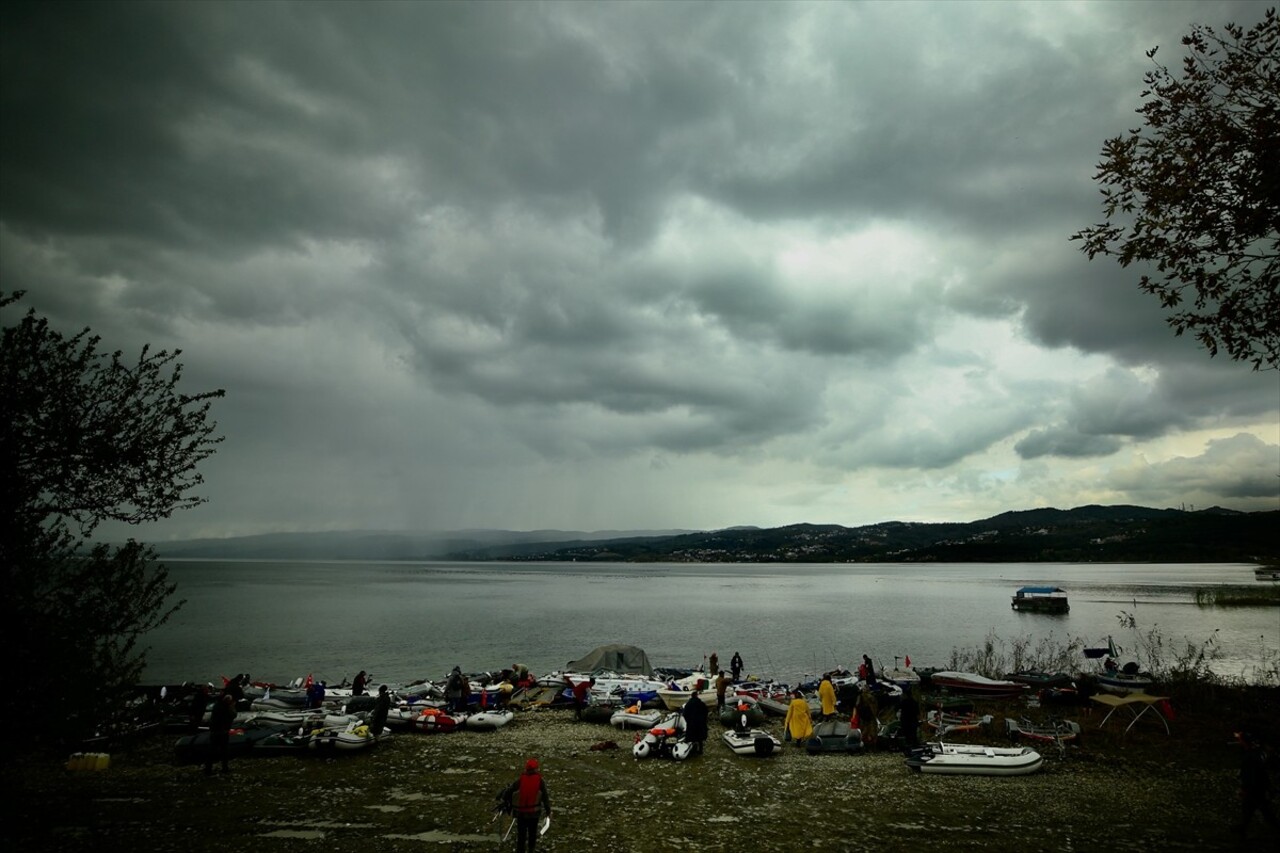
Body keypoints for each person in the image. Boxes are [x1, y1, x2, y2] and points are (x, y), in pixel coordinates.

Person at [500, 758, 552, 853]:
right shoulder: (540, 781)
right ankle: (531, 850)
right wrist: (548, 812)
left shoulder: (520, 781)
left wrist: (506, 800)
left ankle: (521, 850)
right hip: (534, 814)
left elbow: (508, 792)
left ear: (526, 769)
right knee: (532, 835)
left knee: (521, 836)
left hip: (521, 814)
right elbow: (545, 798)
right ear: (536, 769)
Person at [1237, 729, 1279, 841]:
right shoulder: (1257, 754)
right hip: (1258, 787)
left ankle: (1243, 827)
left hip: (1255, 788)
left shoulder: (1250, 757)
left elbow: (1250, 775)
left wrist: (1245, 788)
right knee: (1251, 807)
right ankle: (1242, 827)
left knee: (1262, 809)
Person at [205, 693, 235, 775]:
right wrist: (232, 707)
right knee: (224, 751)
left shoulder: (217, 706)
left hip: (215, 731)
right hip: (222, 732)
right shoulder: (225, 708)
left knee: (212, 751)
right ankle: (224, 768)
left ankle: (208, 769)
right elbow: (232, 716)